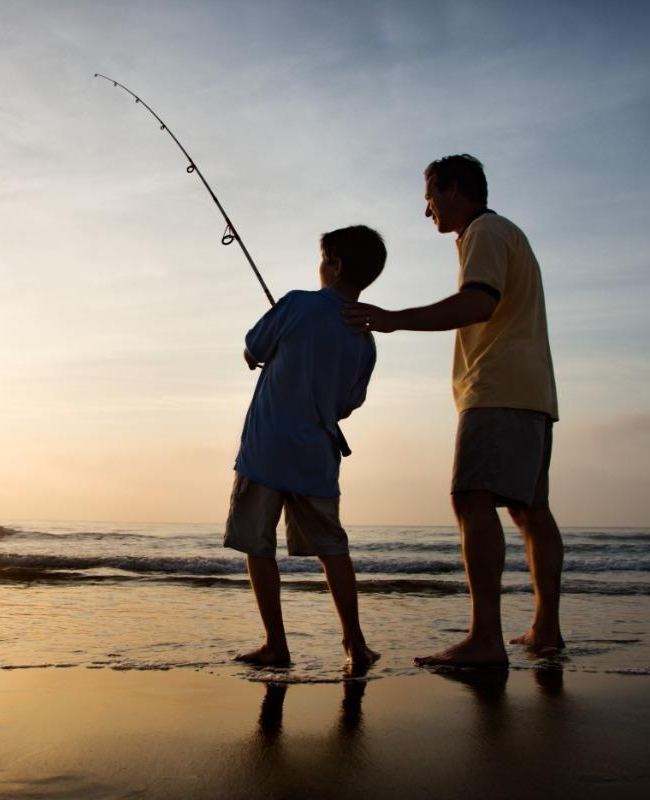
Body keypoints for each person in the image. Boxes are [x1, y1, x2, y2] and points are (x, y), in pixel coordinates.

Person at [344, 155, 563, 668]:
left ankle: (485, 638)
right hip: (532, 391)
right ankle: (546, 629)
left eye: (430, 198)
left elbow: (478, 304)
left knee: (471, 498)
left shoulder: (484, 231)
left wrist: (393, 319)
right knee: (530, 510)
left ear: (455, 190)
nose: (428, 212)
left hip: (497, 387)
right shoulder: (507, 233)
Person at [225, 225, 387, 668]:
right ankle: (355, 643)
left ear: (334, 264)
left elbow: (252, 350)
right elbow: (348, 404)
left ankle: (276, 644)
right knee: (332, 548)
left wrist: (267, 351)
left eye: (322, 259)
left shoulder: (297, 303)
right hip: (317, 456)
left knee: (258, 545)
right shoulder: (365, 339)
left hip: (265, 450)